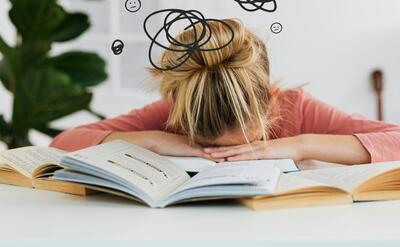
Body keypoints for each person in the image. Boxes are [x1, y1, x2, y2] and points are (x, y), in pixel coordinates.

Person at [50, 19, 400, 165]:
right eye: (212, 148)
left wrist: (300, 144)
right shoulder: (172, 113)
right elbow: (64, 142)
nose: (227, 160)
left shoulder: (296, 108)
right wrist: (154, 140)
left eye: (249, 146)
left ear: (271, 97)